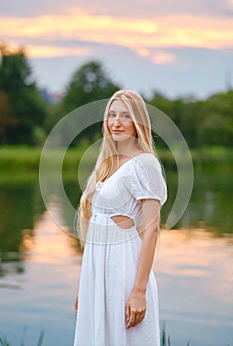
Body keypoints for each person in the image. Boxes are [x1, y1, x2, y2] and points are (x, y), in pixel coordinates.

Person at [73, 89, 167, 346]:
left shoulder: (145, 164)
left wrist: (139, 291)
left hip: (124, 267)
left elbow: (152, 231)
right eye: (112, 114)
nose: (116, 122)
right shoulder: (107, 163)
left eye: (125, 116)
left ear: (138, 123)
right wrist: (85, 285)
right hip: (97, 268)